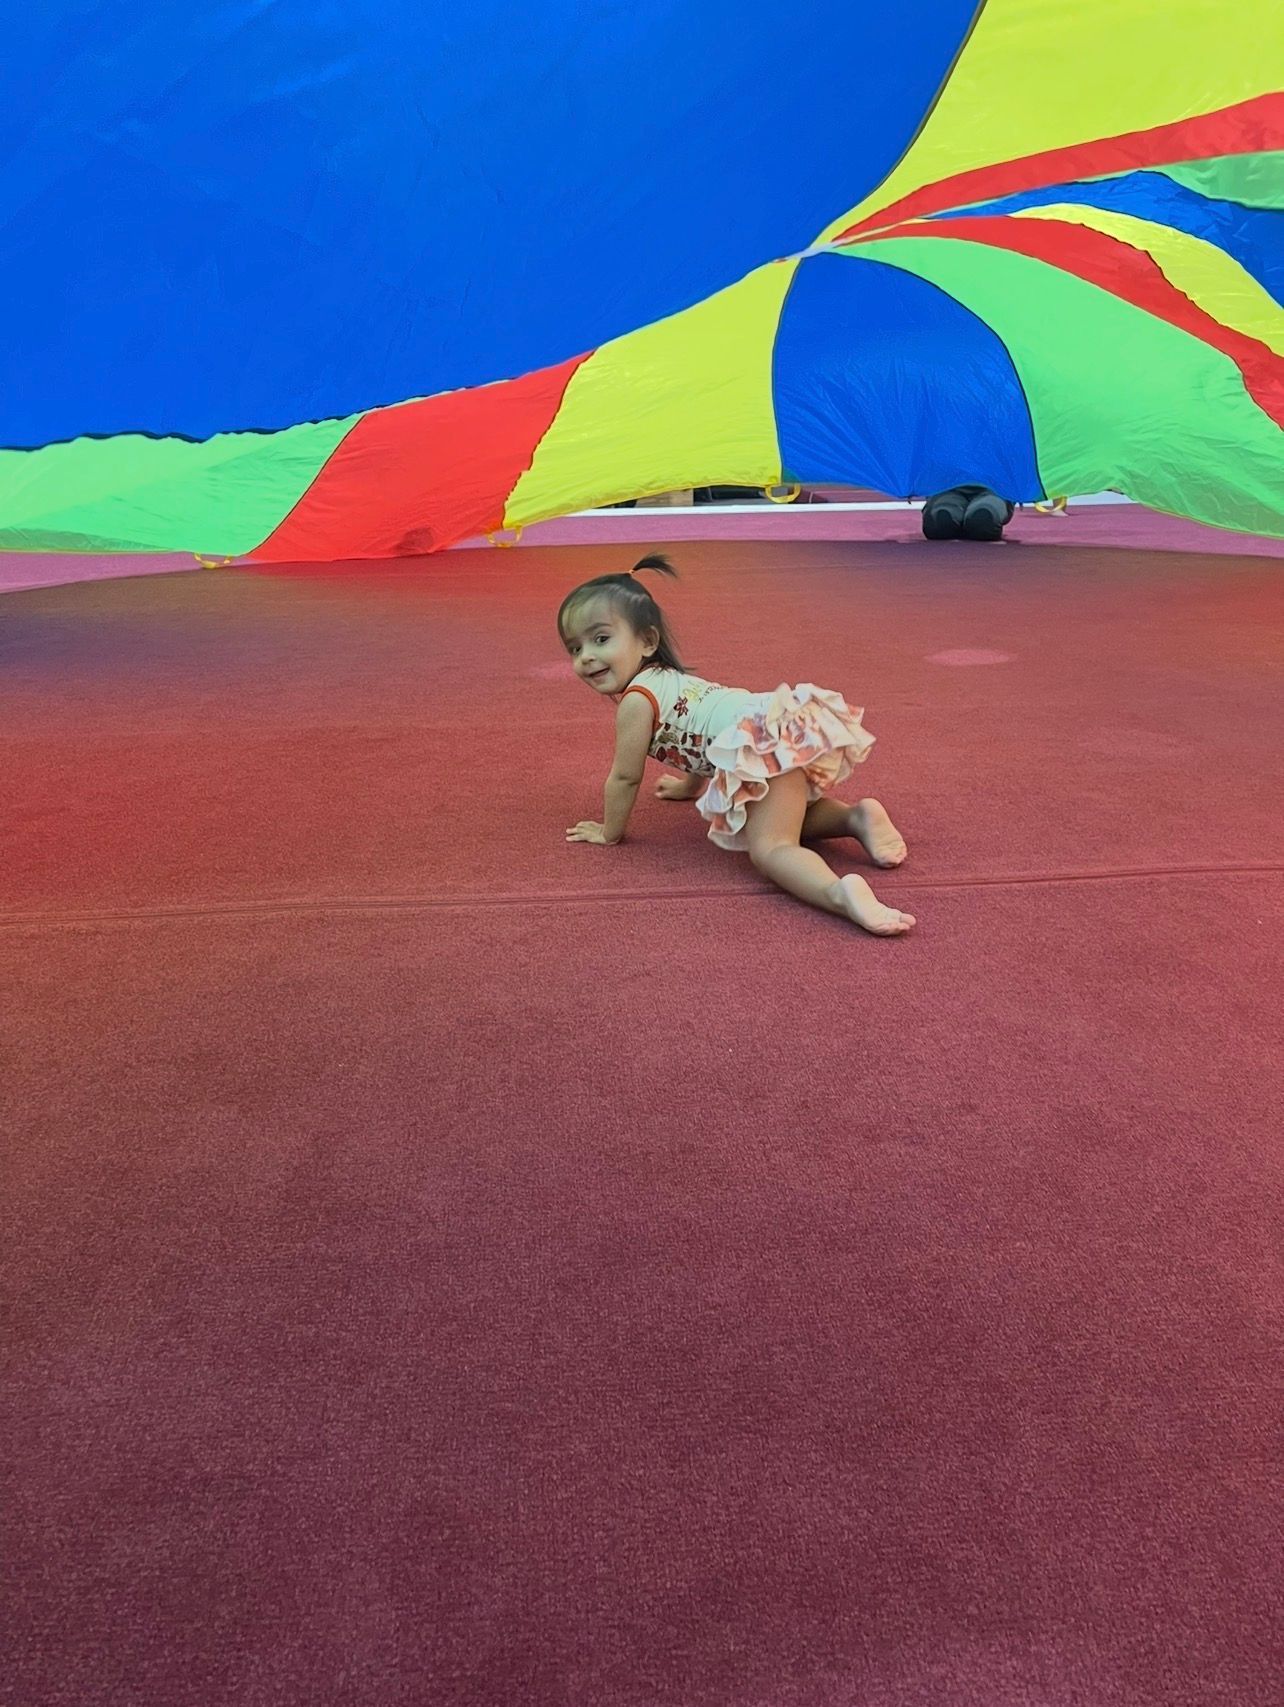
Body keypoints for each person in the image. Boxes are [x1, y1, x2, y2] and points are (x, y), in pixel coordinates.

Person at [558, 556, 915, 937]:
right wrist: (688, 786)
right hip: (772, 725)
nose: (586, 657)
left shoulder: (636, 702)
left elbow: (625, 777)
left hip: (758, 745)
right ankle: (855, 818)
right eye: (574, 648)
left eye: (601, 639)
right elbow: (701, 735)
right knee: (777, 816)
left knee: (771, 849)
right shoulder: (666, 678)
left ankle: (838, 893)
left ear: (647, 641)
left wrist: (609, 832)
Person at [921, 485, 1015, 542]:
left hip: (994, 489)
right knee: (940, 523)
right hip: (946, 488)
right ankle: (962, 521)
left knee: (983, 521)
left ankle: (966, 522)